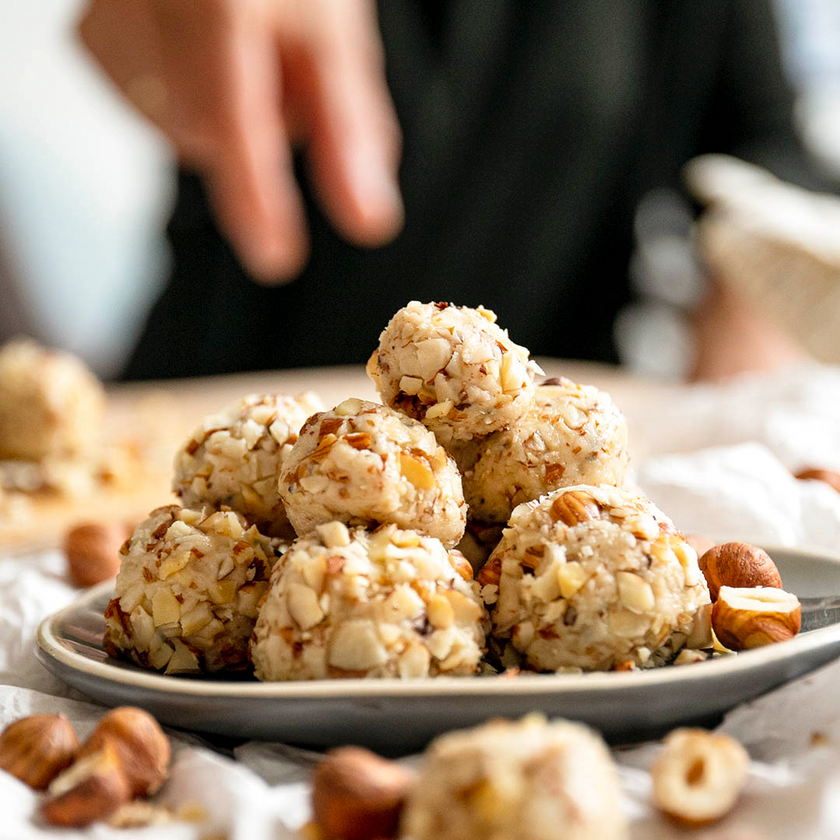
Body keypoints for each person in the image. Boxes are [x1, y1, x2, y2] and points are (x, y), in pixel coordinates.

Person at [79, 0, 832, 380]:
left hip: (549, 474)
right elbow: (120, 29)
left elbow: (766, 163)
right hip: (214, 406)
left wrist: (732, 427)